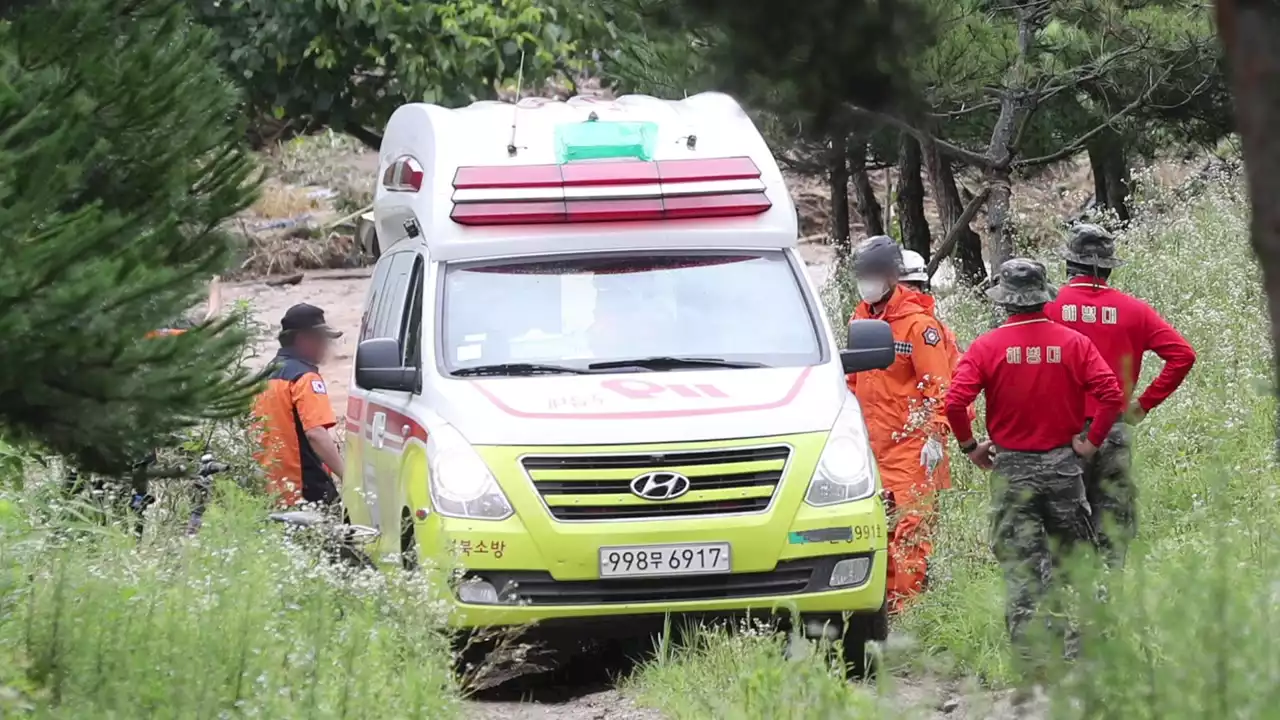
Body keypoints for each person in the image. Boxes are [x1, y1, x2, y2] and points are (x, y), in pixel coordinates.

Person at [944, 259, 1124, 679]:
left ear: (1005, 300)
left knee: (1022, 567)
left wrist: (971, 447)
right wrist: (1091, 442)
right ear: (1044, 296)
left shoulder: (987, 347)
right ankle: (1083, 656)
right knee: (1076, 560)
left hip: (1012, 471)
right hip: (1064, 467)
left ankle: (1032, 664)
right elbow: (1111, 394)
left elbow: (954, 403)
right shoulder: (1073, 343)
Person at [1045, 224, 1196, 567]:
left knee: (1062, 526)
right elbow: (1183, 355)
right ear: (1109, 267)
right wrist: (1143, 405)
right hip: (1112, 430)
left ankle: (1069, 605)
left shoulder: (1049, 309)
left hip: (1061, 433)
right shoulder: (1134, 310)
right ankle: (1108, 605)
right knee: (1112, 526)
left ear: (1070, 265)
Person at [846, 236, 953, 613]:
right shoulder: (859, 320)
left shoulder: (919, 327)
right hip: (870, 447)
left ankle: (906, 611)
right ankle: (883, 605)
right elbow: (851, 383)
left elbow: (940, 388)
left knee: (911, 528)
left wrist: (936, 435)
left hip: (913, 447)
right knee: (879, 529)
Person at [252, 303, 345, 507]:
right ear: (304, 339)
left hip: (269, 491)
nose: (326, 347)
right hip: (305, 489)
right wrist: (347, 476)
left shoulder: (265, 376)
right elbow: (316, 434)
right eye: (322, 340)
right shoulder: (305, 378)